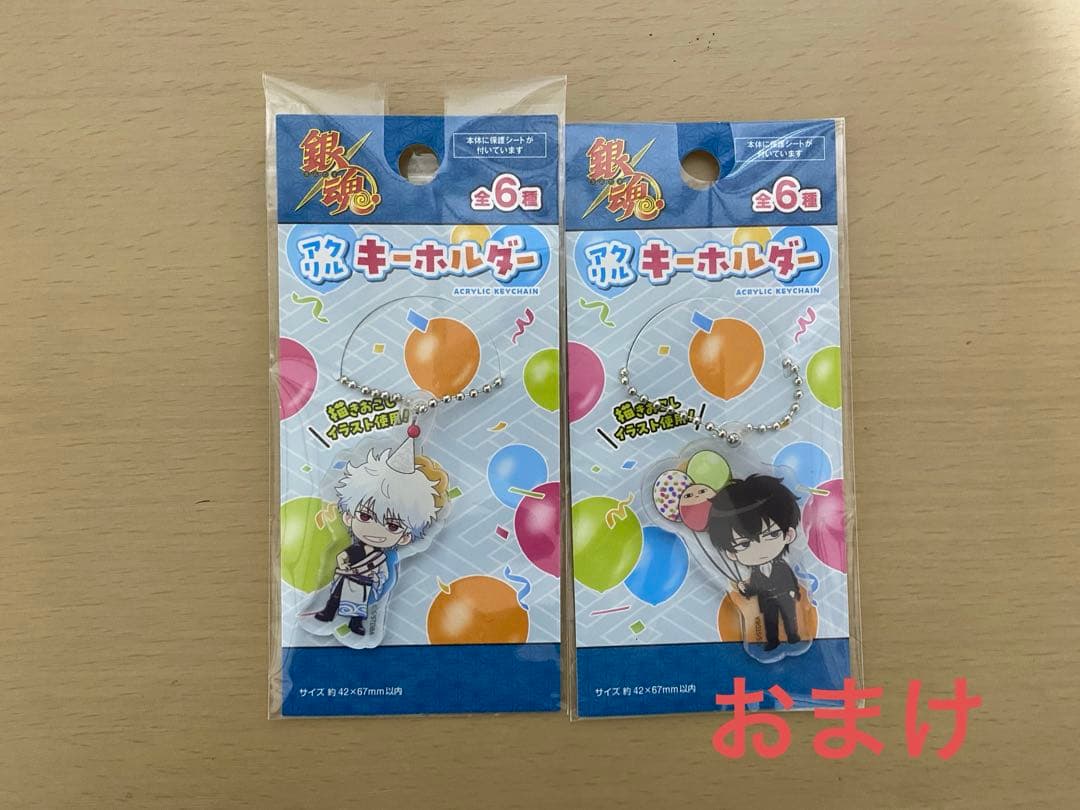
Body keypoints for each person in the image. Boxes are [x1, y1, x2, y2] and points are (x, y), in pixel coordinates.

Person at [313, 428, 440, 635]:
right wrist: (344, 565)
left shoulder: (384, 557)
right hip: (348, 577)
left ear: (405, 536)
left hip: (364, 582)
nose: (375, 528)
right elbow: (343, 557)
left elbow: (384, 575)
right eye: (365, 516)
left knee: (359, 603)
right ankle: (329, 611)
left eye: (393, 526)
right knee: (336, 595)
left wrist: (378, 582)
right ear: (348, 517)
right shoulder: (354, 549)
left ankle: (355, 622)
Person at [707, 475, 803, 651]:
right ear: (731, 553)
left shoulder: (781, 566)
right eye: (744, 544)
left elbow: (789, 578)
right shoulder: (756, 573)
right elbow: (754, 588)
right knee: (770, 622)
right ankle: (772, 640)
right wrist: (744, 589)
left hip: (785, 597)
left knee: (790, 617)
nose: (760, 549)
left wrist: (794, 591)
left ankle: (793, 635)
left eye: (772, 535)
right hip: (767, 603)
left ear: (789, 535)